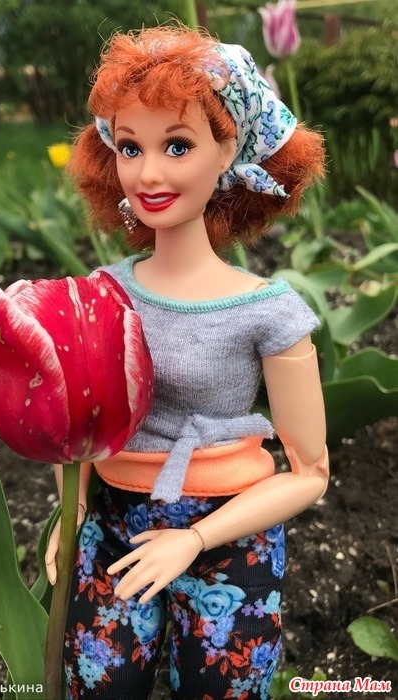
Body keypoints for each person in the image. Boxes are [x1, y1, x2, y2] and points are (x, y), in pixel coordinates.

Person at [45, 25, 329, 700]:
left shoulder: (267, 310)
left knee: (220, 684)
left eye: (177, 145)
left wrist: (195, 540)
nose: (148, 173)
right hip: (116, 519)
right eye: (129, 147)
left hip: (231, 530)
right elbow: (82, 417)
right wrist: (71, 509)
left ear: (228, 149)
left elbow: (310, 473)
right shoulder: (105, 292)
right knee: (103, 683)